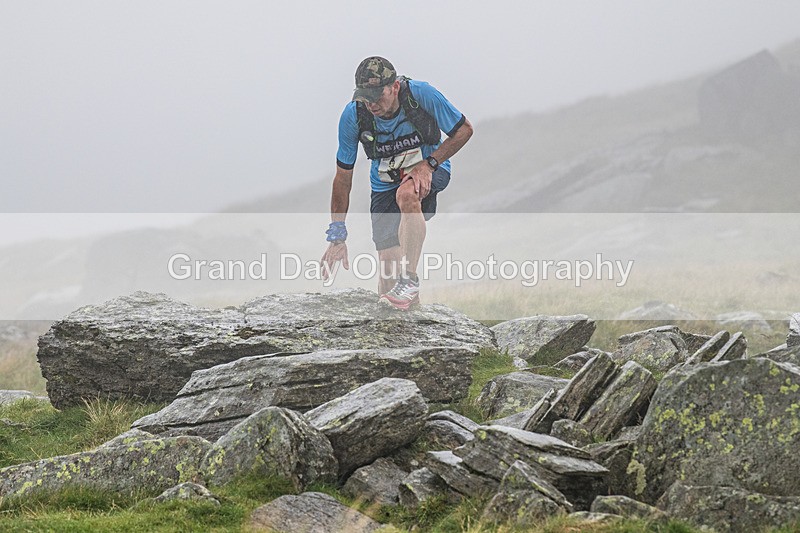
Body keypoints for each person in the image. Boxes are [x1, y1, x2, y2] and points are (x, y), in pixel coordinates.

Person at [320, 56, 473, 310]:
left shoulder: (421, 94)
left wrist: (429, 165)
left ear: (394, 87)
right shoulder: (353, 115)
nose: (372, 104)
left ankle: (410, 279)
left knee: (406, 194)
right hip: (383, 184)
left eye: (377, 95)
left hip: (430, 168)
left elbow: (464, 130)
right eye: (365, 96)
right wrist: (337, 234)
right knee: (387, 279)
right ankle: (406, 322)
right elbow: (343, 177)